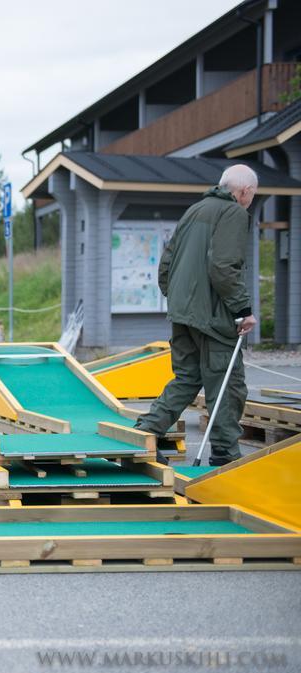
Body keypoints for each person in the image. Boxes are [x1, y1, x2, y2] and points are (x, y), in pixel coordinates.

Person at [133, 164, 259, 466]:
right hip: (214, 318)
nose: (250, 199)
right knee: (227, 386)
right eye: (252, 195)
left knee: (187, 378)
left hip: (181, 313)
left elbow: (166, 263)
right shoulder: (234, 214)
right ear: (244, 191)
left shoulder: (195, 210)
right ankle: (226, 456)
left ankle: (143, 434)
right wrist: (243, 311)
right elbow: (224, 267)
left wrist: (177, 299)